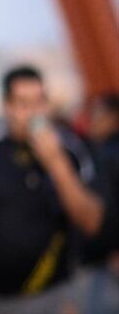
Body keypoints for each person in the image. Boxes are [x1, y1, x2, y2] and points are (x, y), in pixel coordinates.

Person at [0, 66, 104, 314]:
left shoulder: (69, 149)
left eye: (39, 102)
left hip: (56, 295)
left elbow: (91, 222)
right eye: (23, 104)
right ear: (7, 107)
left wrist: (56, 163)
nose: (33, 114)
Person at [80, 93, 119, 314]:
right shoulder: (101, 150)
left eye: (97, 114)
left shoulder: (109, 154)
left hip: (108, 258)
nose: (92, 119)